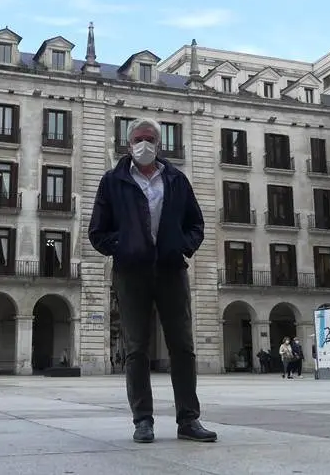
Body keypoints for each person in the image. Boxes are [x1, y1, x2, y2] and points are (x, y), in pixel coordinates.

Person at [89, 118, 217, 445]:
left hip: (172, 270)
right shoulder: (112, 181)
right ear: (128, 143)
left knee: (183, 347)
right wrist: (125, 248)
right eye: (137, 139)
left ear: (158, 144)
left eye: (148, 139)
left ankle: (189, 419)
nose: (143, 144)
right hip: (131, 273)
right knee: (136, 348)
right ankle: (142, 420)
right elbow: (98, 232)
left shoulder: (176, 179)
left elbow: (196, 223)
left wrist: (183, 247)